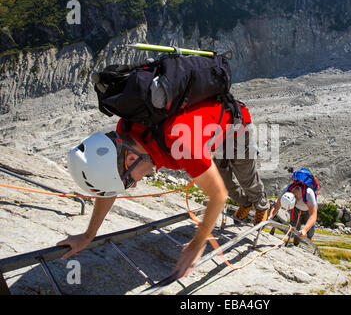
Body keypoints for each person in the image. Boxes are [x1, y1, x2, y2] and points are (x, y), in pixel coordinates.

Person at [57, 98, 269, 279]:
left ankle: (261, 205)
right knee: (230, 185)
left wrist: (196, 245)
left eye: (129, 181)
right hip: (211, 132)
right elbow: (112, 187)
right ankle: (246, 204)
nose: (136, 184)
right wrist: (88, 235)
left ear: (131, 158)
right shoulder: (126, 131)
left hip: (236, 128)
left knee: (246, 178)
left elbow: (217, 196)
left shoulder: (180, 141)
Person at [268, 171, 318, 244]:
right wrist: (270, 217)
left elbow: (313, 215)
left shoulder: (308, 193)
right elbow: (277, 205)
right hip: (296, 208)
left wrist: (304, 230)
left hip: (308, 209)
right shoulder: (286, 189)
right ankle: (296, 242)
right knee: (294, 229)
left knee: (309, 232)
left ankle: (309, 243)